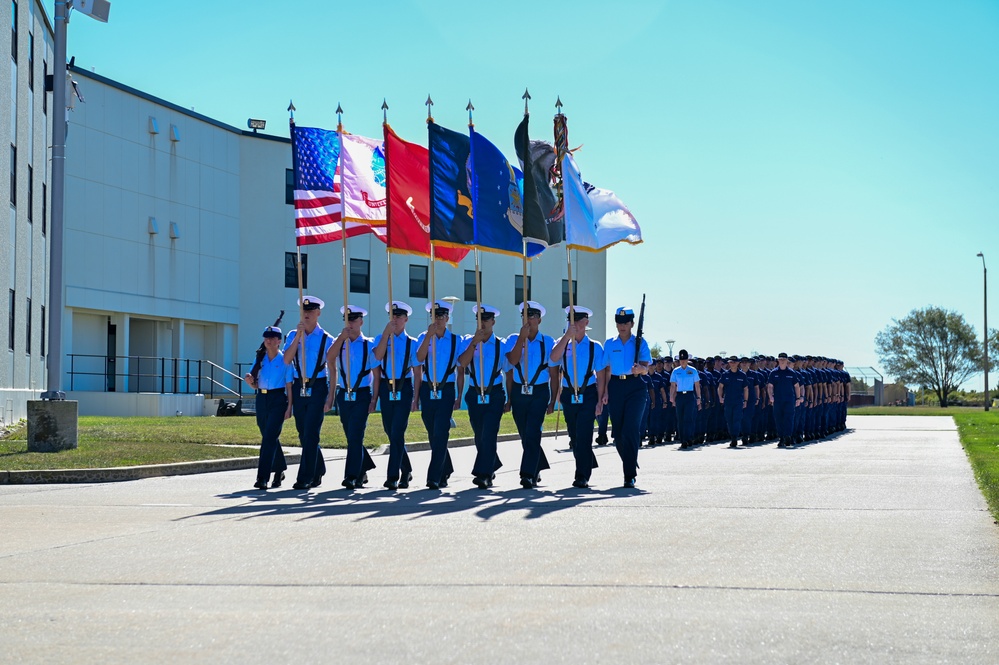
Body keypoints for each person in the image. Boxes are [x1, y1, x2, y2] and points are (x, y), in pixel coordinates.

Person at [550, 306, 607, 488]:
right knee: (574, 436)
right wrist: (567, 336)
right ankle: (586, 462)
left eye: (578, 321)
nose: (574, 324)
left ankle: (582, 475)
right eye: (571, 321)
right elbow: (553, 358)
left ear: (586, 323)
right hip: (568, 393)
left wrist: (600, 400)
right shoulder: (563, 342)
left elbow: (600, 373)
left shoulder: (594, 346)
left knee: (584, 435)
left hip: (588, 393)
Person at [282, 295, 334, 490]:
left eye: (311, 311)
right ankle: (318, 467)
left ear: (318, 313)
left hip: (318, 386)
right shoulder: (292, 335)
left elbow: (332, 368)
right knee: (303, 433)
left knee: (312, 433)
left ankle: (305, 477)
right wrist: (297, 336)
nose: (307, 314)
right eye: (304, 311)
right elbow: (286, 359)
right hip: (298, 385)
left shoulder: (327, 338)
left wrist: (331, 397)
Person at [326, 305, 379, 490]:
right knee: (351, 436)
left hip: (362, 394)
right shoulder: (340, 342)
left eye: (354, 319)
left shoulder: (369, 344)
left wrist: (374, 398)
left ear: (361, 322)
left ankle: (352, 475)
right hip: (344, 393)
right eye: (347, 319)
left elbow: (376, 372)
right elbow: (329, 358)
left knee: (356, 435)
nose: (350, 323)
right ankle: (363, 469)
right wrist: (341, 338)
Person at [506, 300, 557, 489]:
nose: (529, 319)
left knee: (533, 431)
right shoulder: (514, 339)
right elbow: (511, 362)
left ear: (539, 320)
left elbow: (553, 372)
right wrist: (521, 339)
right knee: (524, 434)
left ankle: (527, 474)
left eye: (533, 316)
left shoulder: (548, 341)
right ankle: (536, 466)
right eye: (526, 316)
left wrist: (552, 399)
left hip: (539, 392)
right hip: (520, 391)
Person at [457, 304, 509, 489]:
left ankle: (484, 474)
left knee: (489, 433)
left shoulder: (501, 345)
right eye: (480, 319)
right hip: (474, 393)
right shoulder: (467, 341)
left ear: (493, 321)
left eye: (486, 319)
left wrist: (509, 398)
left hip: (494, 393)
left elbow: (509, 371)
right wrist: (474, 343)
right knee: (479, 435)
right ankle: (491, 464)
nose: (483, 323)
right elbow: (462, 364)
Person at [415, 299, 463, 489]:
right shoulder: (424, 337)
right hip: (428, 388)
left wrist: (459, 395)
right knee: (432, 431)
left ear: (448, 317)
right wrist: (428, 336)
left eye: (442, 316)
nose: (438, 319)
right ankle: (445, 469)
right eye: (435, 316)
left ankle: (433, 476)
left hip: (446, 389)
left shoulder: (456, 340)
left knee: (441, 432)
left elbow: (460, 369)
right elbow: (418, 359)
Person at [373, 301, 420, 491]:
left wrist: (416, 398)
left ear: (406, 319)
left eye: (399, 316)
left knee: (397, 431)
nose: (395, 319)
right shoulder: (381, 338)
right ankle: (406, 468)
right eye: (393, 316)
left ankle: (393, 476)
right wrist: (386, 334)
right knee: (389, 430)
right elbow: (377, 357)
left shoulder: (412, 343)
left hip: (404, 387)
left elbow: (418, 372)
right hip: (386, 386)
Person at [603, 306, 651, 488]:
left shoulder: (640, 342)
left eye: (625, 323)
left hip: (635, 387)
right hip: (615, 386)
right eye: (619, 322)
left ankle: (629, 474)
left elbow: (646, 367)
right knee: (618, 434)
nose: (622, 326)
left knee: (631, 430)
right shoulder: (610, 343)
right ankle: (631, 460)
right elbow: (606, 368)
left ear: (632, 324)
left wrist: (641, 369)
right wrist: (606, 391)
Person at [244, 325, 293, 489]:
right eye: (266, 338)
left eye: (272, 338)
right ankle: (279, 469)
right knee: (268, 435)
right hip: (262, 398)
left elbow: (289, 386)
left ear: (279, 341)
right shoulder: (260, 359)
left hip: (278, 399)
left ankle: (262, 477)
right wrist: (250, 381)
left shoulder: (285, 360)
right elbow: (255, 384)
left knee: (269, 438)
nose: (269, 341)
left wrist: (289, 407)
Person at [767, 352, 802, 448]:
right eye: (780, 359)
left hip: (789, 400)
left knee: (789, 419)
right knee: (778, 419)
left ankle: (787, 436)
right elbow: (770, 386)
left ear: (787, 361)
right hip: (778, 400)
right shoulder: (774, 373)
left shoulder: (791, 373)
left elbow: (796, 386)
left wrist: (798, 398)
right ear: (778, 360)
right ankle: (781, 437)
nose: (782, 361)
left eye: (784, 359)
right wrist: (771, 396)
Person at [669, 349, 701, 449]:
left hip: (689, 395)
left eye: (684, 359)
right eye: (681, 359)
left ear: (687, 360)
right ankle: (683, 439)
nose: (682, 361)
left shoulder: (692, 370)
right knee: (680, 418)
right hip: (680, 396)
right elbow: (673, 386)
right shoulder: (676, 371)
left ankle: (688, 438)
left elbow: (697, 385)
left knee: (688, 418)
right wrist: (672, 397)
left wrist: (699, 397)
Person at [717, 355, 748, 448]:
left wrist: (745, 400)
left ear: (738, 363)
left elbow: (746, 389)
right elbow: (720, 387)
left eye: (734, 362)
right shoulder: (725, 375)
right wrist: (720, 397)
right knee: (729, 420)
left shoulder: (742, 375)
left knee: (737, 420)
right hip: (728, 401)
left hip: (738, 401)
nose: (732, 364)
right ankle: (732, 436)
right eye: (730, 362)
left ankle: (734, 437)